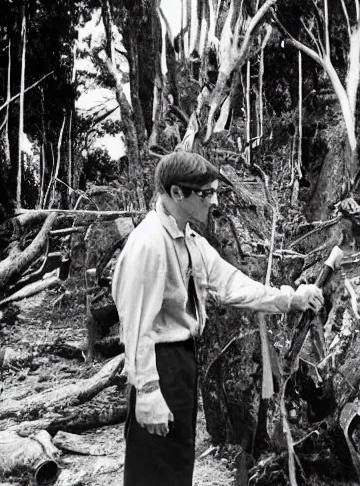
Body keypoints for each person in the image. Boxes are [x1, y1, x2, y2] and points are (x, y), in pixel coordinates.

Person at [112, 151, 324, 486]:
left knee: (177, 459)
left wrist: (291, 298)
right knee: (153, 465)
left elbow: (233, 285)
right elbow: (137, 327)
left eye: (214, 191)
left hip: (182, 361)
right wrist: (148, 392)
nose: (214, 201)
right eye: (205, 193)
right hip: (158, 364)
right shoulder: (149, 244)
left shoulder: (190, 239)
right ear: (176, 193)